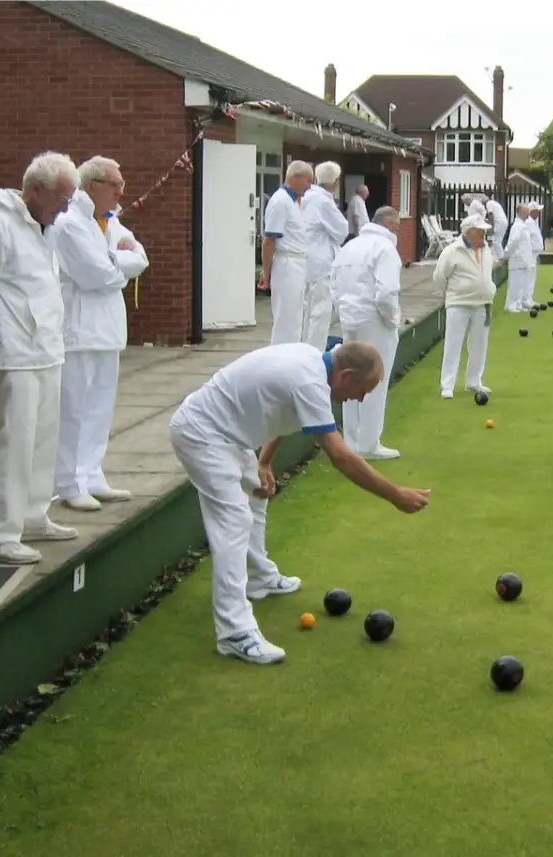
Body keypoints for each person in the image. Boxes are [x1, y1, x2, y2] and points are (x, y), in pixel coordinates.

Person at [168, 341, 431, 665]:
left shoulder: (313, 366)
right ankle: (234, 633)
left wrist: (264, 463)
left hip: (227, 435)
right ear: (346, 375)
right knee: (234, 520)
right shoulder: (309, 381)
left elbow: (285, 413)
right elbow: (342, 458)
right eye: (363, 390)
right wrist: (396, 495)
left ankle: (259, 577)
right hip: (201, 434)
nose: (360, 399)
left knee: (256, 495)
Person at [0, 151, 82, 565]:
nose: (65, 206)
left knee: (43, 440)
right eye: (61, 197)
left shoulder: (46, 228)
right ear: (35, 190)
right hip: (14, 354)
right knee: (15, 443)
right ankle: (0, 534)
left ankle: (32, 515)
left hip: (46, 350)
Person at [48, 155, 149, 511]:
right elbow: (94, 275)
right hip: (78, 329)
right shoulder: (68, 224)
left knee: (99, 409)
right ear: (93, 186)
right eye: (116, 185)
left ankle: (92, 475)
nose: (122, 191)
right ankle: (68, 482)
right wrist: (119, 262)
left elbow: (142, 258)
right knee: (74, 409)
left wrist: (113, 260)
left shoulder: (111, 221)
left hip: (108, 328)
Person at [331, 206, 403, 460]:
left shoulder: (349, 247)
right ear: (385, 224)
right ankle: (369, 444)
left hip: (350, 318)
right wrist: (391, 319)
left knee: (351, 377)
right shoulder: (385, 249)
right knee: (375, 379)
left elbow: (334, 285)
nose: (398, 232)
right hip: (375, 320)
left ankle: (352, 442)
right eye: (396, 227)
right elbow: (386, 292)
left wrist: (343, 312)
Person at [434, 214, 495, 399]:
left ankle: (474, 381)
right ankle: (447, 385)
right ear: (468, 232)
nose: (483, 235)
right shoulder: (452, 251)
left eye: (484, 231)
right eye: (479, 231)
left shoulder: (486, 250)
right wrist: (451, 295)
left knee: (479, 344)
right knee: (453, 344)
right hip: (458, 304)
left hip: (482, 303)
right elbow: (439, 277)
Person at [260, 160, 313, 343]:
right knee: (286, 321)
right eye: (308, 181)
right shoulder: (280, 201)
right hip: (287, 263)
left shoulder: (294, 202)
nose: (309, 187)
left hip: (298, 264)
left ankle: (290, 359)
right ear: (294, 177)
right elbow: (269, 240)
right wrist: (266, 273)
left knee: (296, 319)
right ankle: (279, 362)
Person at [301, 161, 350, 350]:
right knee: (320, 313)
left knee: (306, 312)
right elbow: (342, 230)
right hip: (320, 263)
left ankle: (303, 351)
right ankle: (314, 354)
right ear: (335, 181)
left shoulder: (306, 197)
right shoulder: (323, 201)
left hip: (305, 261)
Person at [503, 203, 534, 312]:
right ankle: (511, 305)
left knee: (521, 284)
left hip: (523, 260)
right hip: (517, 259)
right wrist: (505, 255)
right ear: (520, 212)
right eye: (526, 212)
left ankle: (518, 304)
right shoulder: (517, 226)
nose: (528, 214)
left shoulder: (522, 225)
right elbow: (512, 242)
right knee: (515, 284)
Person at [527, 201, 544, 301]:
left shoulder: (533, 222)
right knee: (529, 277)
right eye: (537, 211)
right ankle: (527, 299)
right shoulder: (529, 222)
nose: (538, 213)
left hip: (534, 253)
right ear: (532, 211)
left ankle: (529, 298)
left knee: (532, 277)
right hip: (530, 253)